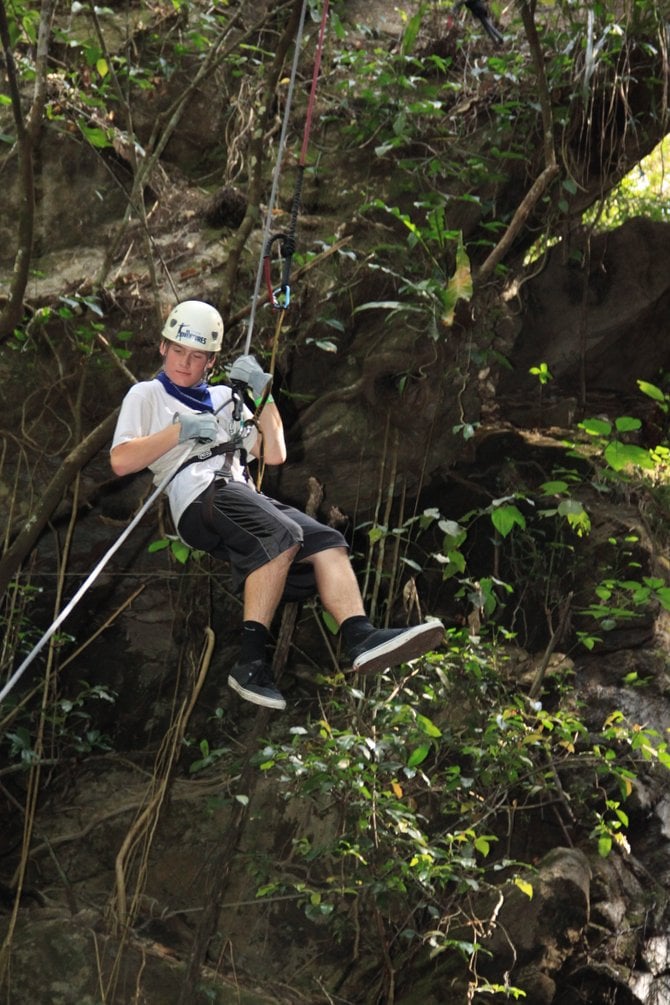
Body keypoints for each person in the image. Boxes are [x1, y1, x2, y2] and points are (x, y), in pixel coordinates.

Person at [110, 300, 443, 711]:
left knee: (328, 542)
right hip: (198, 494)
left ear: (211, 361)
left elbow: (274, 453)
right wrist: (178, 432)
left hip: (239, 492)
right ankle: (250, 662)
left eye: (196, 355)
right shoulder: (147, 395)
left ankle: (359, 636)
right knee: (281, 534)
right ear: (163, 348)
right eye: (178, 350)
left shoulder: (222, 397)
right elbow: (122, 460)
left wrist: (263, 395)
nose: (184, 362)